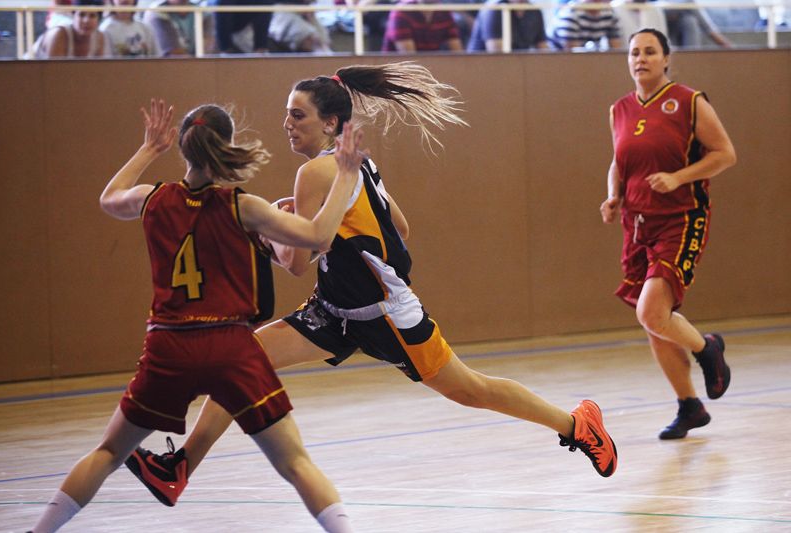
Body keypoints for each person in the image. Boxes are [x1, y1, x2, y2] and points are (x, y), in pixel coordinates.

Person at [122, 62, 618, 510]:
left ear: (331, 124)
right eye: (286, 114)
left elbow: (295, 263)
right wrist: (322, 227)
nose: (287, 124)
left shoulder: (315, 171)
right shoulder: (357, 163)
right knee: (243, 358)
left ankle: (577, 425)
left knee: (471, 391)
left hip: (384, 313)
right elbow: (398, 227)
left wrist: (266, 227)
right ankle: (179, 466)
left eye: (298, 116)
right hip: (336, 308)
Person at [28, 99, 365, 533]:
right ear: (224, 146)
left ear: (184, 148)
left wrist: (149, 148)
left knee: (108, 453)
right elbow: (319, 235)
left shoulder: (154, 199)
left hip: (168, 345)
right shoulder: (244, 206)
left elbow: (109, 198)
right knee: (295, 463)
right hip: (229, 346)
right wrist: (345, 173)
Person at [600, 29, 736, 440]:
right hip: (637, 223)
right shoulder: (619, 109)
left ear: (665, 59)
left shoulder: (689, 102)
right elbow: (618, 161)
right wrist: (613, 196)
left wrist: (679, 177)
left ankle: (707, 348)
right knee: (654, 321)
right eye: (634, 52)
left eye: (649, 52)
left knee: (651, 312)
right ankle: (689, 406)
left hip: (681, 217)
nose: (640, 58)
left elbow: (725, 155)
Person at [29, 0, 111, 59]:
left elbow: (99, 71)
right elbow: (53, 72)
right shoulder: (59, 34)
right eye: (82, 15)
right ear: (73, 16)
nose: (86, 21)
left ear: (98, 20)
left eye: (92, 16)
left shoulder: (100, 37)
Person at [381, 0, 463, 52]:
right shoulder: (401, 12)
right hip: (398, 74)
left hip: (429, 69)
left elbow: (458, 54)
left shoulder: (445, 13)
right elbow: (409, 58)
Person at [467, 0, 548, 52]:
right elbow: (497, 56)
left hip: (518, 68)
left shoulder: (534, 11)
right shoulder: (495, 9)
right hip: (483, 70)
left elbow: (543, 49)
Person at [143, 0, 216, 56]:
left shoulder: (203, 12)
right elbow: (174, 53)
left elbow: (207, 50)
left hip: (197, 66)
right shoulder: (156, 12)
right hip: (167, 68)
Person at [551, 0, 623, 50]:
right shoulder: (570, 14)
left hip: (588, 59)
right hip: (558, 61)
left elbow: (616, 47)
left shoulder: (609, 13)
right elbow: (571, 53)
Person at [663, 0, 731, 48]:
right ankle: (718, 39)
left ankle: (692, 59)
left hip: (671, 16)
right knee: (689, 3)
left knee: (690, 21)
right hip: (657, 10)